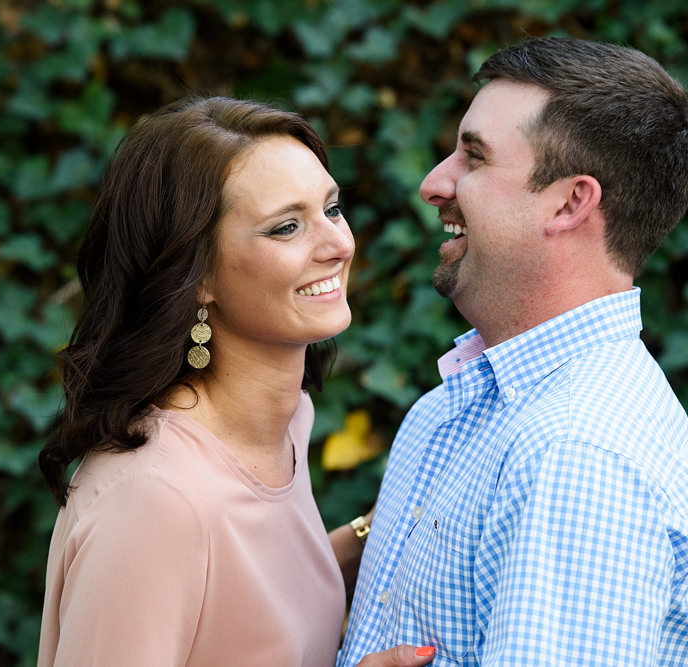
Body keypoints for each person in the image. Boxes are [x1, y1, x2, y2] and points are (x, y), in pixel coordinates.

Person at [337, 37, 688, 666]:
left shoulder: (580, 456)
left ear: (570, 202)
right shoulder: (459, 412)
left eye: (474, 158)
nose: (435, 184)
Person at [37, 96, 435, 667]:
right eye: (287, 227)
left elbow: (243, 616)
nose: (338, 245)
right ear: (195, 274)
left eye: (333, 208)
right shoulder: (155, 498)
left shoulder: (286, 423)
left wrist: (386, 529)